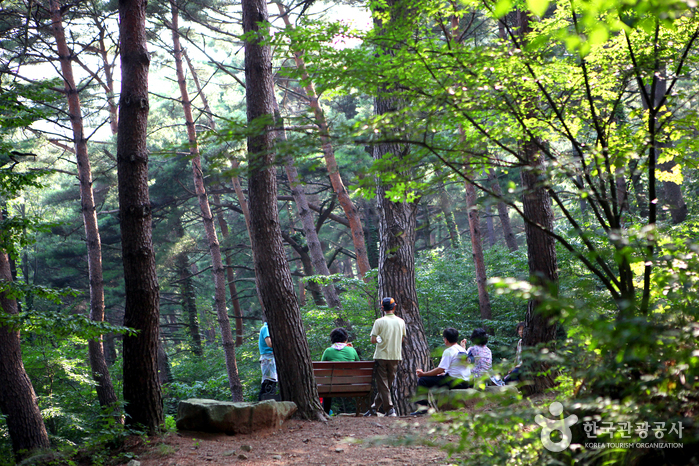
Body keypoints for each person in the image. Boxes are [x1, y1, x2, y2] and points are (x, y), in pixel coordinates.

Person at [411, 328, 471, 415]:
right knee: (438, 379)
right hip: (465, 381)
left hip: (454, 381)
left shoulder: (449, 351)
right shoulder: (463, 350)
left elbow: (440, 369)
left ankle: (422, 408)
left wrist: (424, 374)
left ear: (446, 340)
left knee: (423, 380)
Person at [364, 297, 406, 418]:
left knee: (383, 385)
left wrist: (380, 339)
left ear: (382, 308)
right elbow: (402, 339)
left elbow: (373, 340)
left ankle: (389, 409)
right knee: (386, 385)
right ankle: (375, 409)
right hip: (395, 356)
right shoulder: (401, 321)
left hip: (381, 356)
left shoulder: (379, 322)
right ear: (395, 306)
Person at [320, 327, 360, 414]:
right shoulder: (351, 350)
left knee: (326, 386)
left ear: (332, 339)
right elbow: (358, 365)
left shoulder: (328, 351)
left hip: (331, 384)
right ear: (345, 339)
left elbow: (321, 368)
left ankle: (326, 413)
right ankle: (359, 411)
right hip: (349, 383)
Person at [258, 320, 278, 401]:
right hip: (268, 359)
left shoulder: (270, 328)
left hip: (271, 359)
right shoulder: (266, 328)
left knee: (271, 384)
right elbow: (269, 343)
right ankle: (262, 405)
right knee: (268, 384)